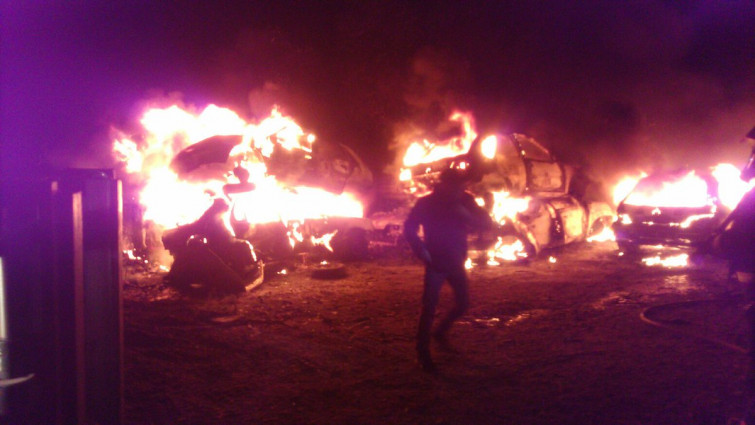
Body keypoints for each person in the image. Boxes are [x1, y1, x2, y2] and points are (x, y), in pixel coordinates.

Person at [403, 167, 494, 372]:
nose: (459, 189)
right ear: (444, 184)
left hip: (455, 261)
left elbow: (486, 223)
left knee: (462, 304)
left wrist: (466, 215)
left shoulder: (465, 200)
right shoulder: (426, 203)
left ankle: (440, 332)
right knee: (429, 308)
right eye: (456, 186)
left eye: (461, 186)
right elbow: (409, 227)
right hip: (435, 261)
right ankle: (422, 353)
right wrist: (420, 250)